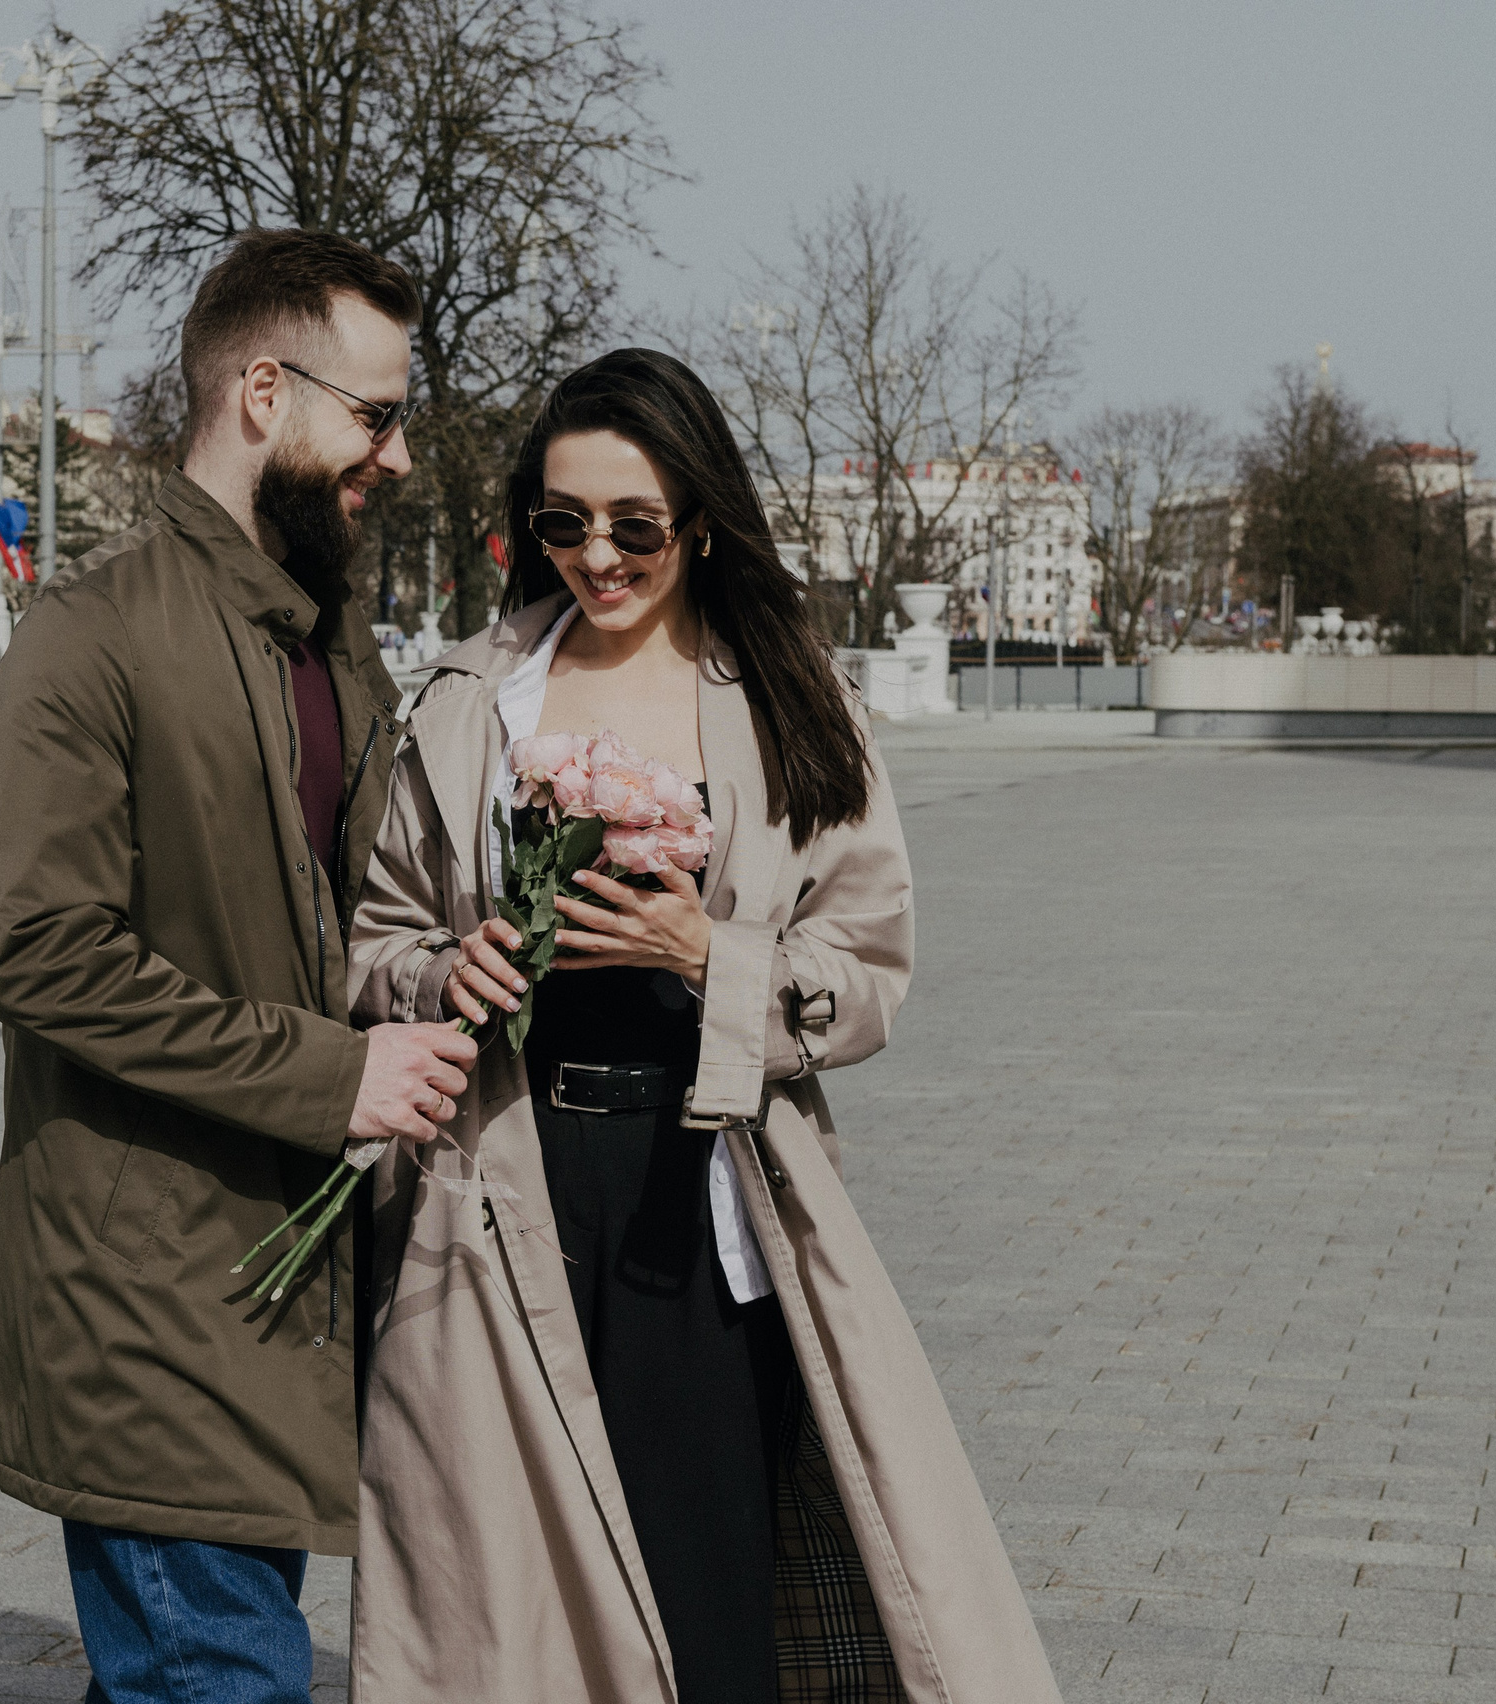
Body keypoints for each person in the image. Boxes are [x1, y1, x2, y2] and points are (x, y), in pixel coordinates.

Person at [346, 349, 1062, 1703]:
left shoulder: (786, 702)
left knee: (707, 1584)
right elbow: (374, 938)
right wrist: (448, 973)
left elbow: (866, 968)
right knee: (503, 1604)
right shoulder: (464, 700)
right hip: (497, 1192)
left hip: (705, 1193)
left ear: (702, 518)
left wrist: (708, 954)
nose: (597, 557)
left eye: (635, 526)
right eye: (562, 522)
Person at [0, 228, 479, 1704]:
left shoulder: (335, 647)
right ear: (265, 391)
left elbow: (358, 922)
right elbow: (41, 951)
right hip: (148, 1296)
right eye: (375, 414)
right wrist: (342, 1076)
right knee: (221, 1680)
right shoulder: (89, 638)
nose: (395, 452)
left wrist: (468, 961)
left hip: (291, 1279)